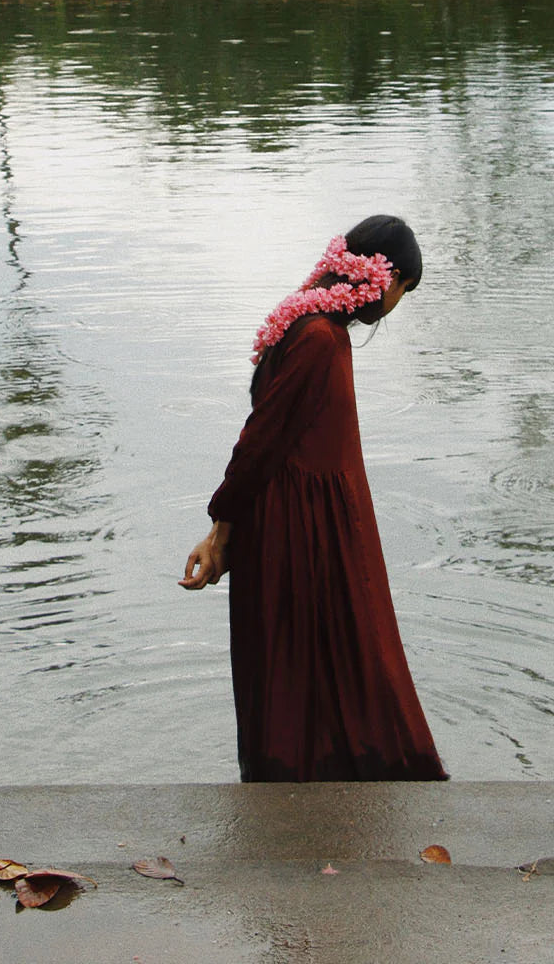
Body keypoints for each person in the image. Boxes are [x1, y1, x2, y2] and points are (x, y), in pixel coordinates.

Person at [180, 214, 447, 783]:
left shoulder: (307, 322)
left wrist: (225, 527)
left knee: (302, 652)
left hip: (304, 512)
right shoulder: (321, 339)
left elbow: (266, 433)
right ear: (385, 279)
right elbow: (261, 440)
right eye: (404, 290)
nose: (398, 305)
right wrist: (220, 530)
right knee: (341, 648)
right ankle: (335, 771)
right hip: (305, 525)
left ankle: (296, 774)